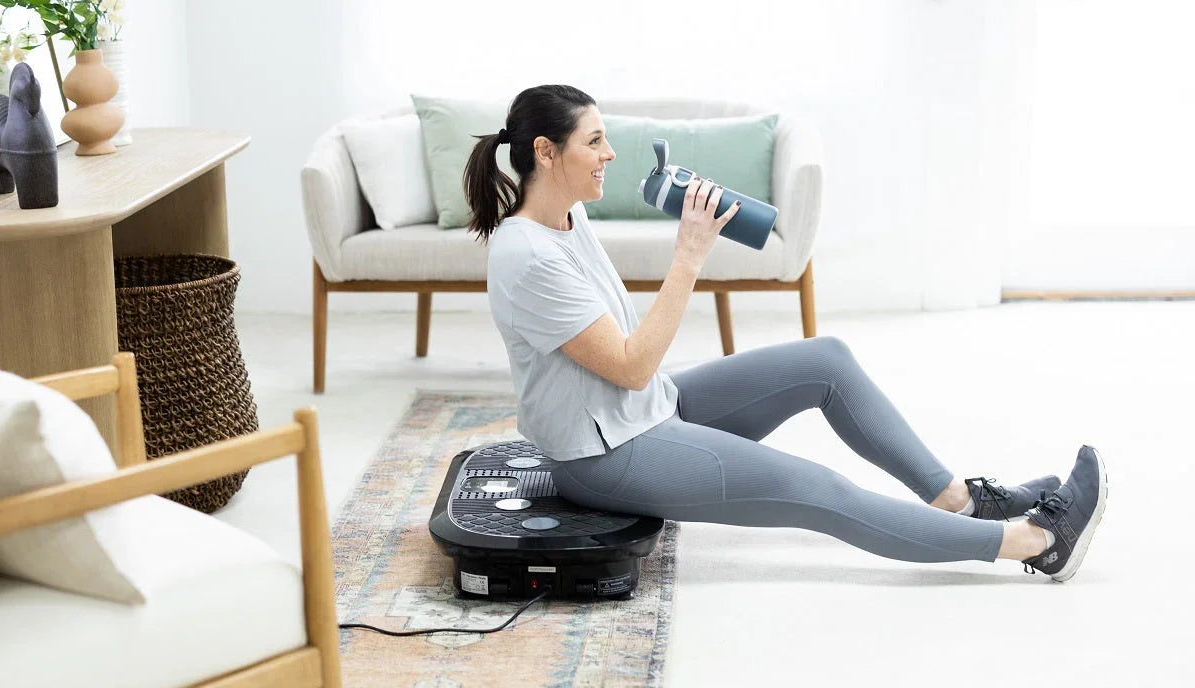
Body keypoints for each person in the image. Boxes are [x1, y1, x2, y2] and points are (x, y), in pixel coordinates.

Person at [462, 84, 1107, 582]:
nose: (609, 154)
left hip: (647, 409)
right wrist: (689, 256)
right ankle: (1037, 542)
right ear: (546, 152)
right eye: (595, 141)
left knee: (825, 360)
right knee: (817, 489)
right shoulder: (527, 257)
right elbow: (630, 366)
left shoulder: (568, 218)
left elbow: (633, 375)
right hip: (606, 454)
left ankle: (959, 501)